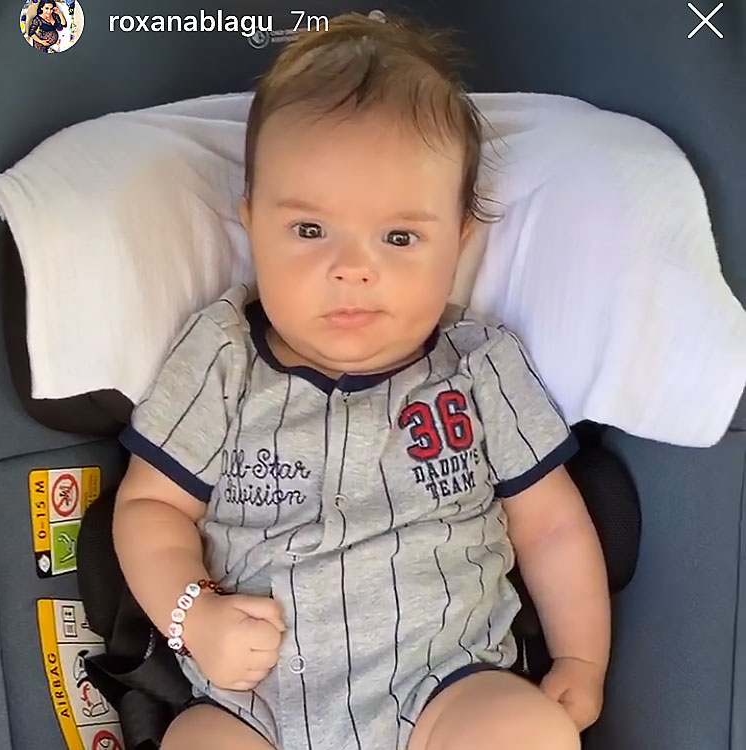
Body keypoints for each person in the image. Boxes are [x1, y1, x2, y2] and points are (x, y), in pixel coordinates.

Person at [112, 12, 610, 750]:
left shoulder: (480, 366)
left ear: (458, 242)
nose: (352, 268)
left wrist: (580, 658)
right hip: (256, 704)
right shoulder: (222, 357)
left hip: (448, 684)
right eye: (309, 231)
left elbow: (552, 525)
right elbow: (150, 507)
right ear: (252, 223)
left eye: (399, 237)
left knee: (526, 732)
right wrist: (193, 614)